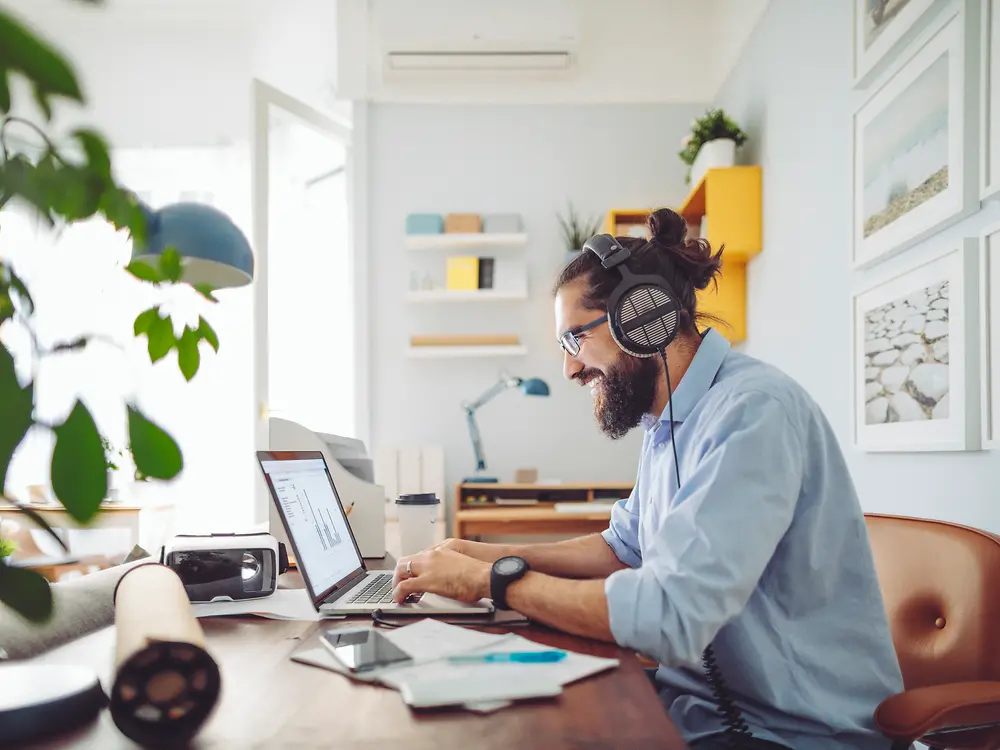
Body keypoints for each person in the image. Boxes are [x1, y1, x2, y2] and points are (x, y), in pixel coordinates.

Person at [391, 207, 904, 749]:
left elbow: (670, 617)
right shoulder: (668, 421)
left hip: (790, 732)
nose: (569, 369)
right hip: (697, 707)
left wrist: (493, 583)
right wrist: (480, 554)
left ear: (641, 317)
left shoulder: (753, 413)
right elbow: (621, 548)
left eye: (574, 340)